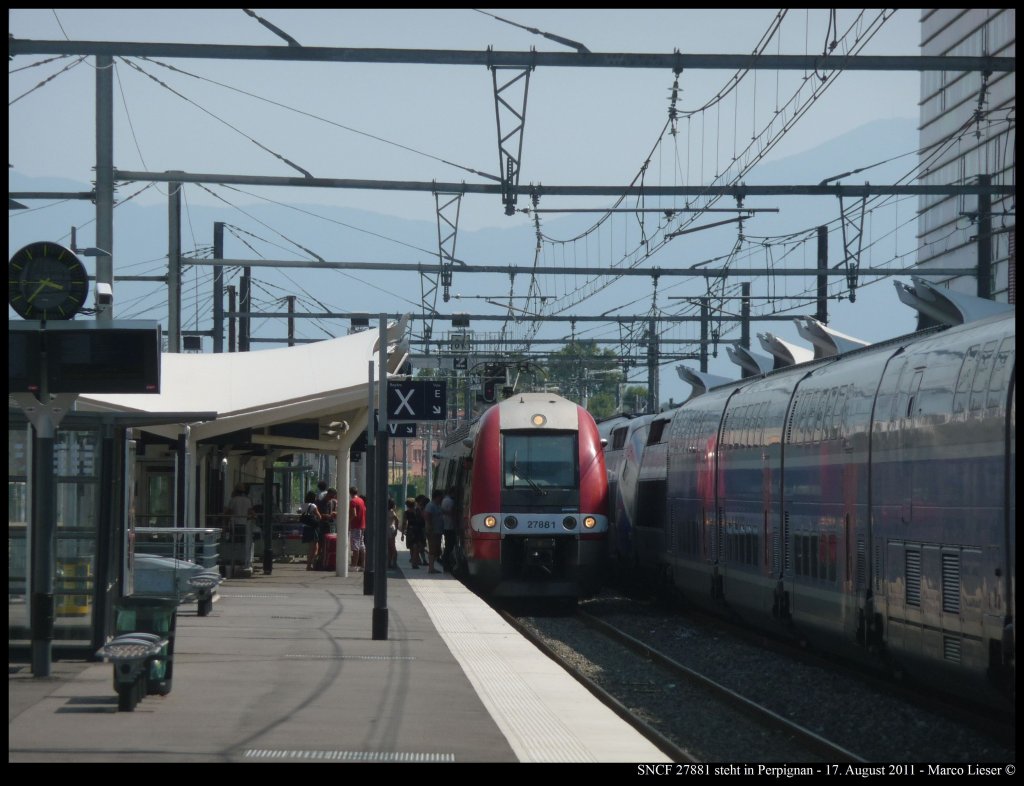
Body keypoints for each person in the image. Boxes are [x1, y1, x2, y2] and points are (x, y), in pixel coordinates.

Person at [224, 483, 255, 575]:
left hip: (235, 524)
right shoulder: (248, 500)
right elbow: (251, 512)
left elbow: (228, 512)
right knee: (245, 543)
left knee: (234, 543)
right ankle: (244, 561)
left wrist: (225, 524)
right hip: (245, 524)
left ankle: (236, 560)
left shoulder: (233, 500)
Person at [423, 490, 444, 574]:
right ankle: (431, 568)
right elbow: (427, 515)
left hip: (438, 531)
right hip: (432, 531)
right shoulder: (430, 505)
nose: (442, 498)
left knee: (437, 550)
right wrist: (429, 526)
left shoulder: (437, 505)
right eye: (441, 497)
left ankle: (432, 567)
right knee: (432, 549)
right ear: (437, 497)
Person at [300, 490, 322, 570]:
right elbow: (319, 517)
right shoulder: (313, 506)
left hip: (306, 527)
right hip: (313, 528)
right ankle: (310, 564)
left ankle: (310, 564)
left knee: (311, 547)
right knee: (314, 548)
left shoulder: (303, 505)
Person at [403, 497, 425, 569]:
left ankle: (414, 561)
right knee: (417, 546)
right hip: (417, 530)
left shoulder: (406, 513)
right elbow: (423, 518)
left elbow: (404, 523)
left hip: (410, 530)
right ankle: (415, 562)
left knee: (411, 547)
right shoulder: (418, 511)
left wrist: (403, 534)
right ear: (414, 504)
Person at [349, 486, 366, 571]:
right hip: (362, 525)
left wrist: (348, 521)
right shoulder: (361, 500)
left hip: (355, 526)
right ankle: (363, 565)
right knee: (361, 545)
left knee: (355, 546)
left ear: (350, 493)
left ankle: (354, 566)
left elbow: (354, 514)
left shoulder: (353, 501)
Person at [440, 486, 457, 572]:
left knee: (448, 545)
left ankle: (445, 562)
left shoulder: (444, 500)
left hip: (446, 526)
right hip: (450, 527)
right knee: (449, 546)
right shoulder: (450, 501)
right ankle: (446, 563)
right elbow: (451, 513)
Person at [386, 498, 400, 570]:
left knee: (392, 547)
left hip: (390, 530)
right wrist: (396, 529)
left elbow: (397, 520)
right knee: (390, 547)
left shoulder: (391, 511)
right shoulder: (390, 511)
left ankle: (393, 562)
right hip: (390, 530)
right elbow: (397, 520)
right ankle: (390, 562)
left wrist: (396, 529)